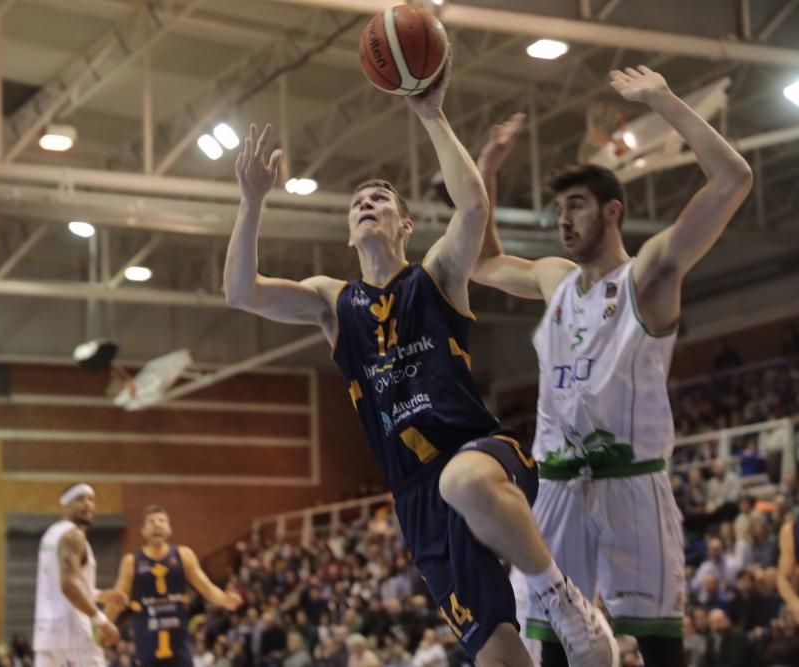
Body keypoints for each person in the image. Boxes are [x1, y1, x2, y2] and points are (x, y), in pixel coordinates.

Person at [224, 55, 616, 667]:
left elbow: (474, 212)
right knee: (499, 654)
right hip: (415, 498)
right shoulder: (334, 302)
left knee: (465, 479)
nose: (366, 203)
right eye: (357, 202)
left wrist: (432, 116)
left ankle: (560, 597)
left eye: (379, 197)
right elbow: (241, 292)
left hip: (480, 452)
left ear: (404, 224)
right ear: (349, 235)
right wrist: (251, 202)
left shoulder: (435, 276)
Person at [473, 65, 753, 667]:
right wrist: (488, 173)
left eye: (577, 205)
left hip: (632, 480)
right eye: (559, 209)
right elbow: (484, 263)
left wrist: (665, 101)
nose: (564, 219)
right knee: (554, 650)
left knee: (657, 647)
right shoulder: (555, 279)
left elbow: (733, 179)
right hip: (557, 484)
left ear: (614, 211)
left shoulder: (649, 276)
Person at [107, 505, 243, 667]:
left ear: (169, 528)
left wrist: (224, 599)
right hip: (147, 637)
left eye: (162, 521)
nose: (157, 524)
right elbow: (116, 600)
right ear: (143, 530)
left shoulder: (183, 555)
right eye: (151, 521)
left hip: (178, 639)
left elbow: (206, 587)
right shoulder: (132, 561)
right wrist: (102, 624)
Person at [32, 482, 126, 666]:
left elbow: (61, 584)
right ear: (65, 505)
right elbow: (68, 586)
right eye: (80, 499)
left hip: (46, 635)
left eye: (91, 499)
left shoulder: (51, 534)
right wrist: (103, 622)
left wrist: (101, 595)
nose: (87, 504)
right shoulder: (74, 536)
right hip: (72, 635)